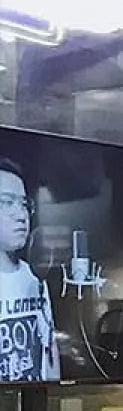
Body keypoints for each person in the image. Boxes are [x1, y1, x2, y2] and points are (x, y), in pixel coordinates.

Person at [0, 158, 60, 383]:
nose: (21, 215)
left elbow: (49, 350)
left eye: (24, 204)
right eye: (7, 202)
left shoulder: (35, 278)